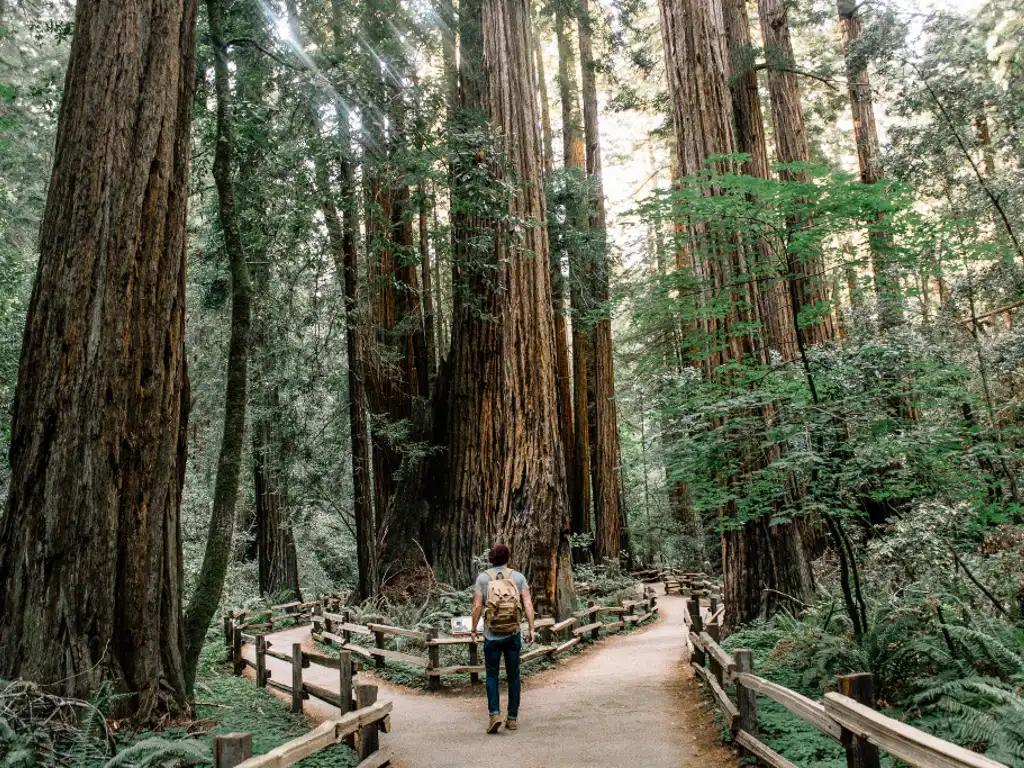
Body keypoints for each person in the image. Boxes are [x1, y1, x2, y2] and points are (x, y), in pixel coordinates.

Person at [471, 544, 536, 734]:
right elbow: (527, 603)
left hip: (492, 636)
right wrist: (531, 628)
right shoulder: (518, 577)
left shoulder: (483, 578)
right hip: (512, 634)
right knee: (513, 676)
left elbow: (477, 606)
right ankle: (512, 718)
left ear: (491, 558)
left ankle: (494, 714)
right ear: (508, 557)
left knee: (492, 675)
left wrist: (474, 630)